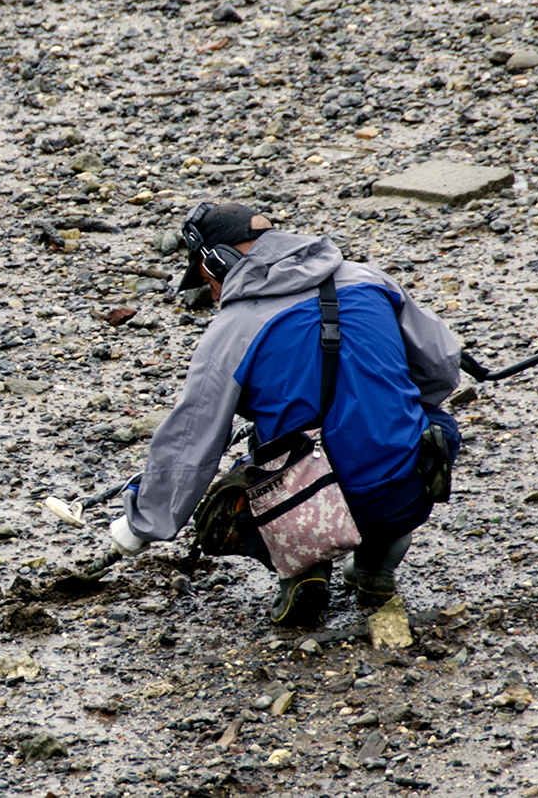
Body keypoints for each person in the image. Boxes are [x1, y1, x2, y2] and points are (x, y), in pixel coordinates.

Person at [108, 202, 463, 626]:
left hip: (304, 509)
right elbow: (442, 370)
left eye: (207, 281)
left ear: (218, 261)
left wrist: (143, 524)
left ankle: (302, 571)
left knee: (241, 480)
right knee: (435, 424)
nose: (214, 295)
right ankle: (376, 567)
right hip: (402, 493)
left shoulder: (231, 332)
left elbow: (191, 444)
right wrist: (381, 403)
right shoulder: (370, 280)